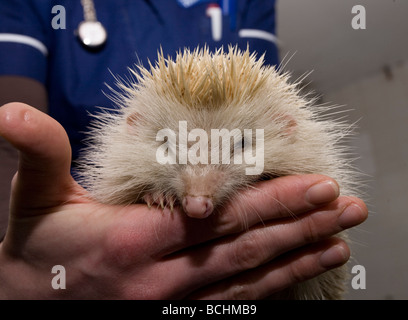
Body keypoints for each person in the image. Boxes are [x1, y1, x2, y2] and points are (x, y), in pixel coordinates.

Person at [0, 0, 367, 299]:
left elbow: (265, 87)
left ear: (287, 129)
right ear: (135, 128)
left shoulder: (250, 6)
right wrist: (12, 270)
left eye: (238, 145)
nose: (198, 198)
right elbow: (9, 149)